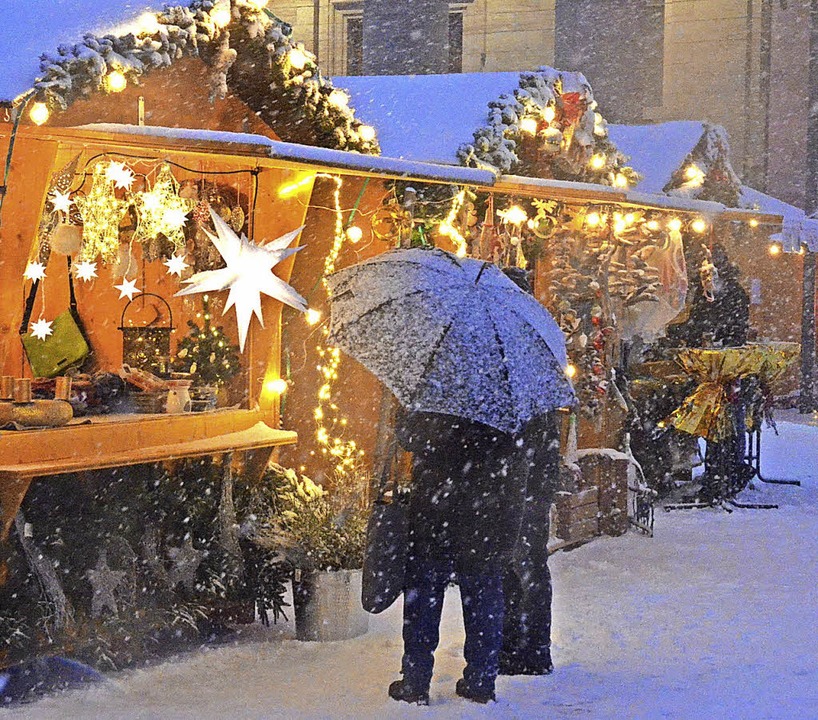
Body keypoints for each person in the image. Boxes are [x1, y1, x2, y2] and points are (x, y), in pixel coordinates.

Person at [388, 410, 527, 705]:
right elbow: (514, 463)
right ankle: (481, 681)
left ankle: (415, 681)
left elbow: (408, 436)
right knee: (483, 598)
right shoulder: (498, 398)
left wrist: (405, 417)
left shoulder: (433, 388)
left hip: (433, 511)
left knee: (423, 598)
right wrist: (508, 528)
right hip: (483, 514)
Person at [500, 411, 561, 676]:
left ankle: (528, 649)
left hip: (525, 491)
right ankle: (526, 647)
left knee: (526, 567)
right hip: (531, 489)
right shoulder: (539, 401)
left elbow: (524, 447)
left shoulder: (527, 404)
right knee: (522, 568)